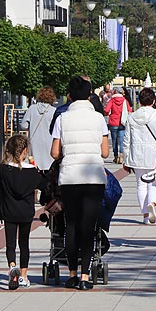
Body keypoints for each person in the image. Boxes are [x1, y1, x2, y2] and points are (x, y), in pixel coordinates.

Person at [50, 75, 109, 290]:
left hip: (70, 178)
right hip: (93, 177)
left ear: (70, 96)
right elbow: (104, 152)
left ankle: (72, 274)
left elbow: (55, 152)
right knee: (89, 226)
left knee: (71, 225)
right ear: (90, 95)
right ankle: (86, 276)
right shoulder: (98, 119)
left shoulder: (62, 119)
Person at [0, 134, 46, 289]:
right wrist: (38, 172)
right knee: (24, 243)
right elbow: (45, 185)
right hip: (26, 212)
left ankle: (12, 266)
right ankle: (23, 275)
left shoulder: (3, 169)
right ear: (25, 151)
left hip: (9, 211)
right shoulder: (32, 172)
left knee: (10, 243)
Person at [123, 88, 156, 224]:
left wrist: (126, 158)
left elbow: (127, 140)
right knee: (154, 184)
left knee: (140, 185)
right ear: (154, 100)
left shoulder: (132, 117)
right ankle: (152, 204)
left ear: (140, 101)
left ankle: (145, 216)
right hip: (154, 154)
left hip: (136, 155)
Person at [20, 86, 56, 173]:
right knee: (49, 169)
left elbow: (23, 126)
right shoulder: (54, 111)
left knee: (34, 167)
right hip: (49, 143)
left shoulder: (32, 109)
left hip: (34, 142)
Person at [104, 87, 132, 164]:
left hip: (113, 122)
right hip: (122, 123)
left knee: (114, 140)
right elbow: (130, 110)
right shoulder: (124, 100)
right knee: (121, 140)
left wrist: (108, 113)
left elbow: (106, 110)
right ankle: (121, 156)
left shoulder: (112, 100)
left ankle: (115, 156)